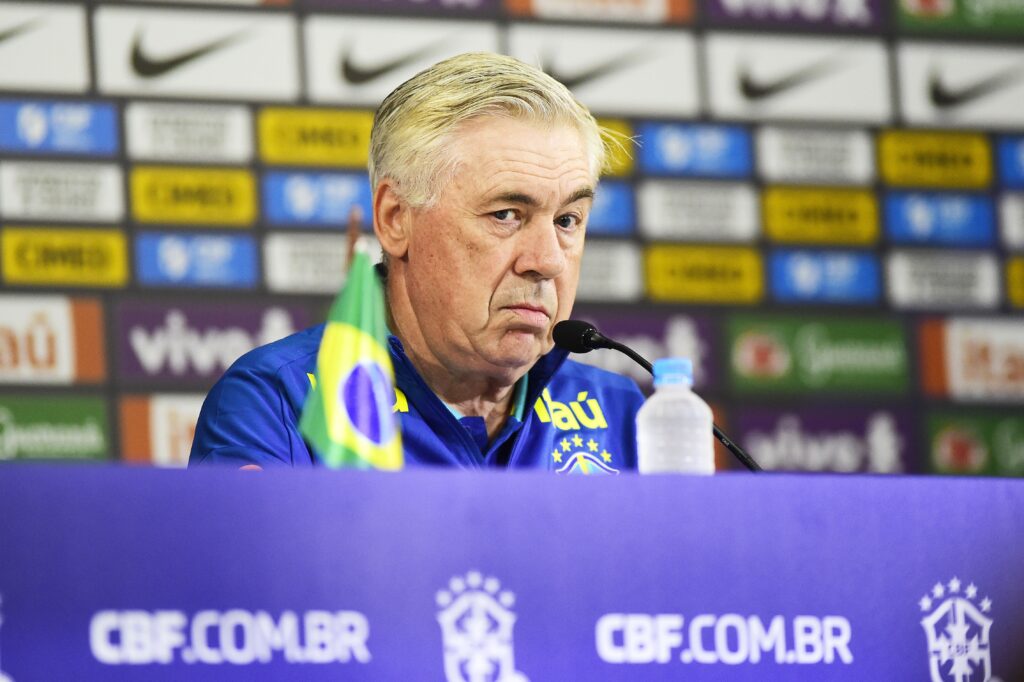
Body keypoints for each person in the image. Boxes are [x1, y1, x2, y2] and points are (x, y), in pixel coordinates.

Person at [189, 52, 644, 472]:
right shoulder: (279, 402)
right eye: (506, 214)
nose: (547, 261)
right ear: (395, 219)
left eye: (567, 220)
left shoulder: (623, 413)